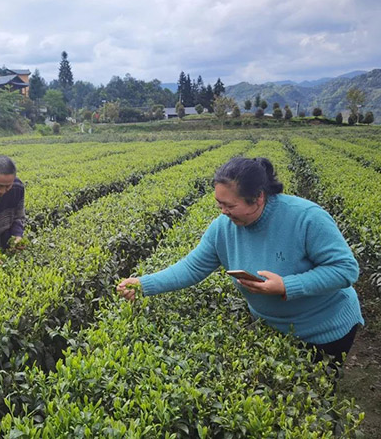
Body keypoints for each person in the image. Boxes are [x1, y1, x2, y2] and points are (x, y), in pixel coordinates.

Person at [117, 157, 364, 368]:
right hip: (272, 328)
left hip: (325, 330)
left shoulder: (306, 218)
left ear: (258, 198)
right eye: (219, 204)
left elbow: (345, 270)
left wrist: (287, 286)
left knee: (316, 398)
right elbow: (192, 267)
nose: (223, 211)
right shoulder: (223, 228)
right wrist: (143, 284)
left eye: (230, 205)